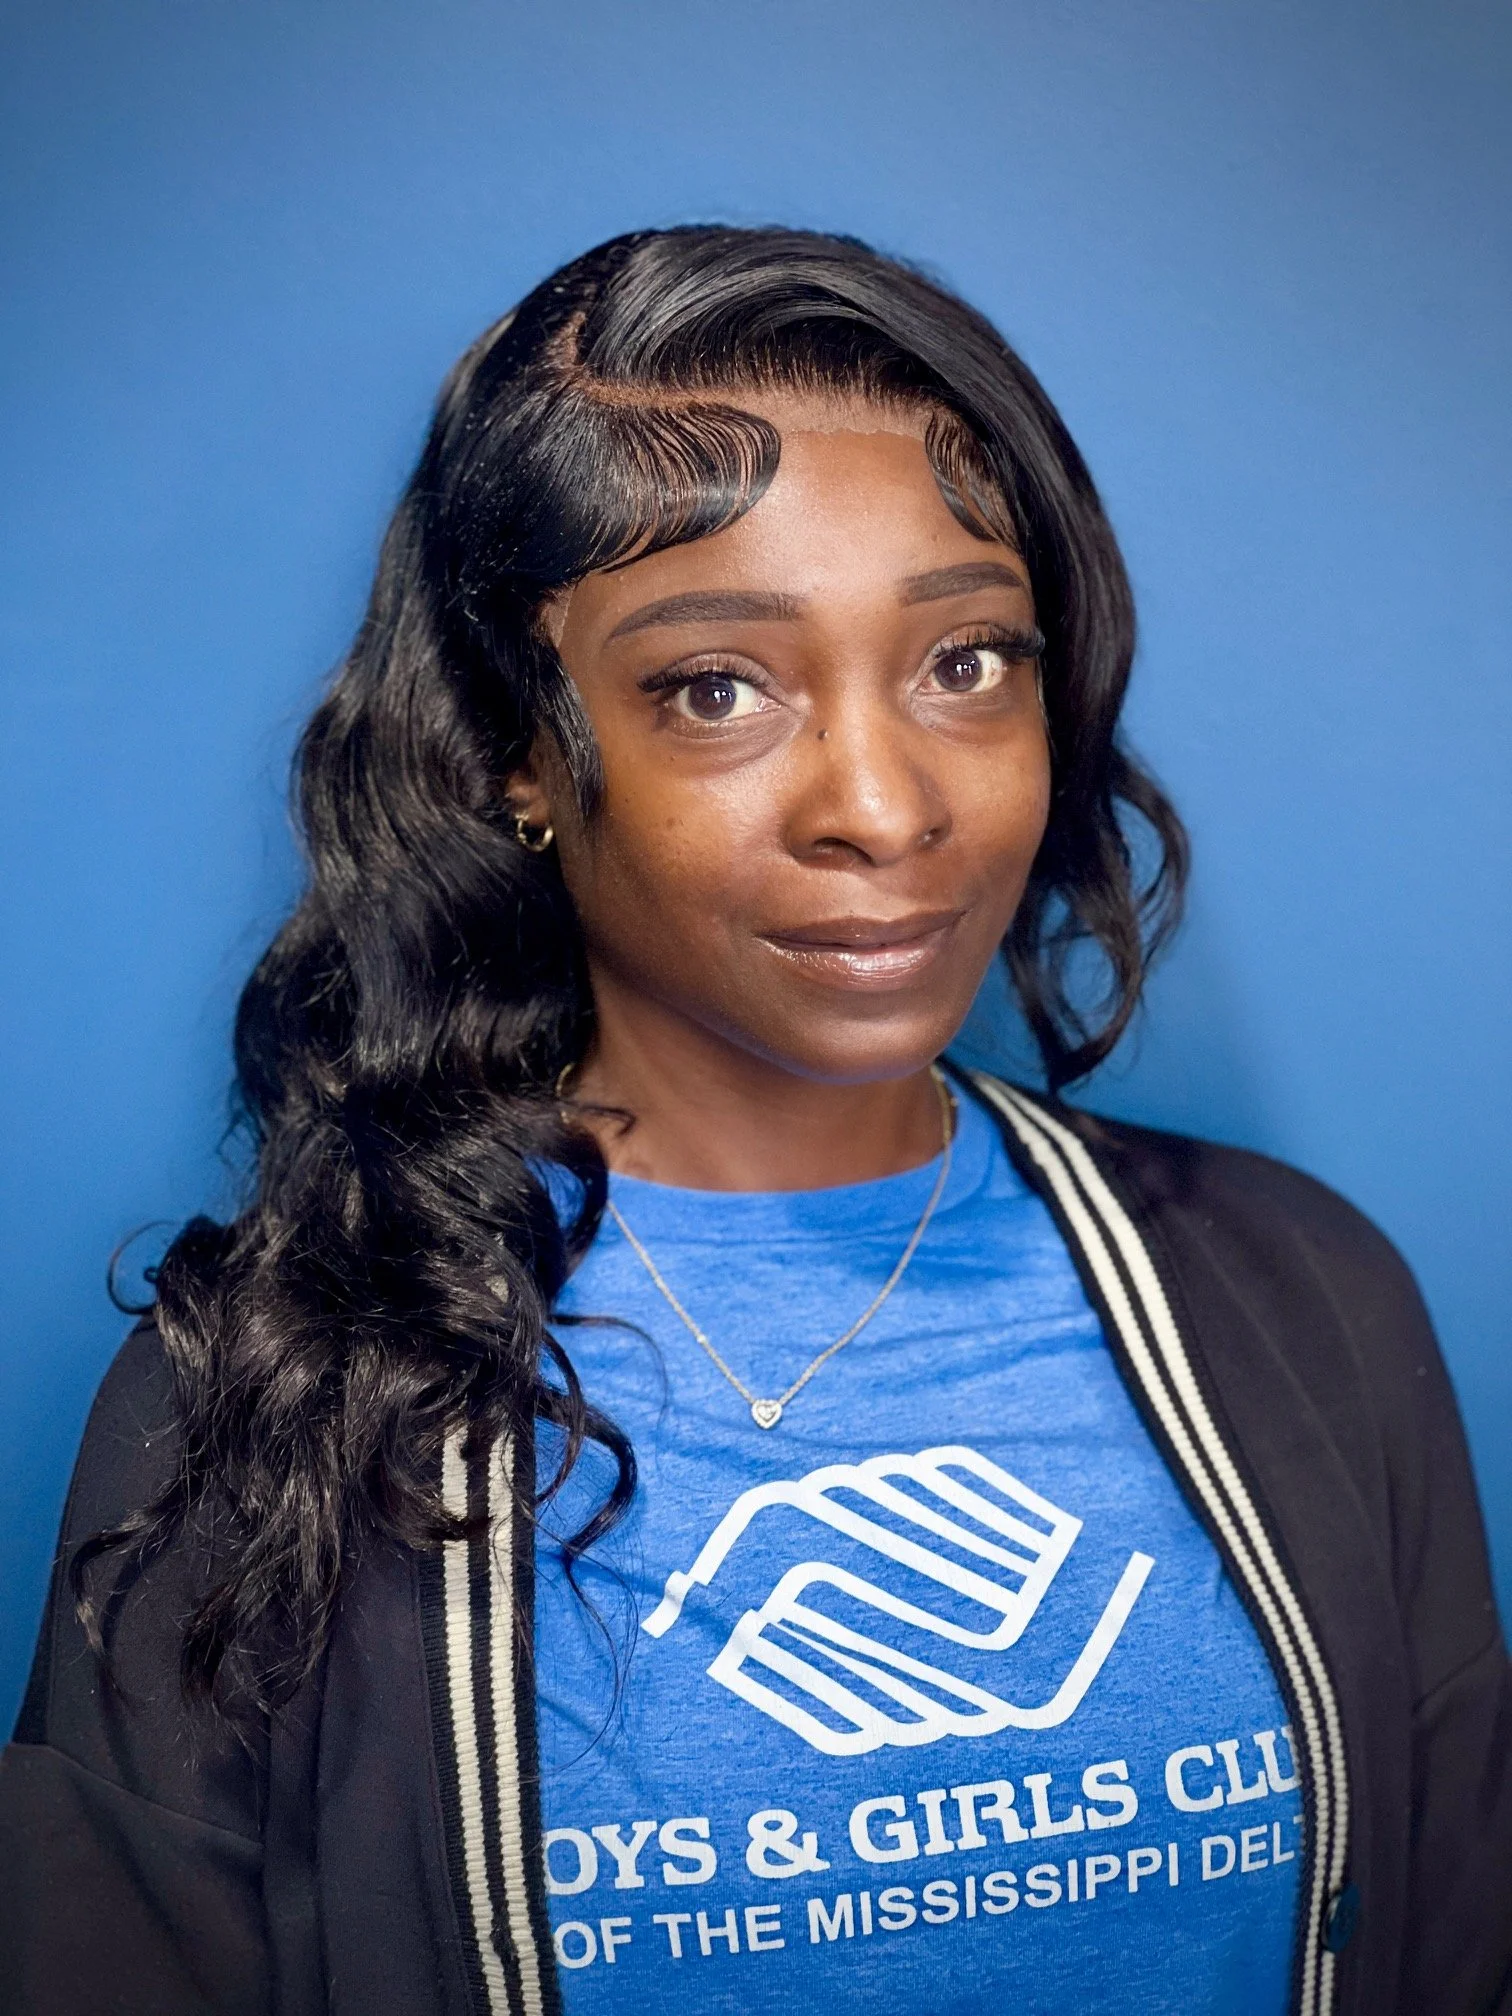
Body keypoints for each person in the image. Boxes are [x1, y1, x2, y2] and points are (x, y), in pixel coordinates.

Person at [1, 226, 1506, 2016]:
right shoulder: (270, 1386)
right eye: (717, 688)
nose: (886, 807)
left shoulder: (1301, 1302)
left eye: (967, 663)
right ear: (515, 750)